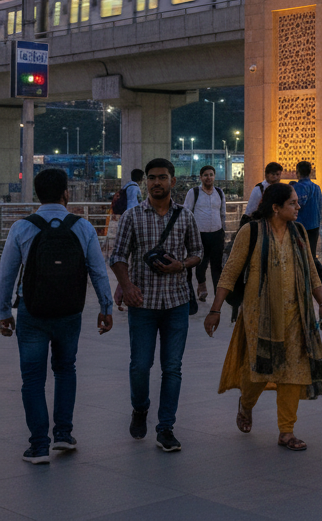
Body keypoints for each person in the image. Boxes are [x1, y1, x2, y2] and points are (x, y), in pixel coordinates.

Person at [204, 182, 322, 450]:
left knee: (293, 373)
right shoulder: (250, 232)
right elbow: (230, 273)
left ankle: (287, 431)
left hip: (297, 314)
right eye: (293, 203)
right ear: (276, 208)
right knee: (258, 371)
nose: (299, 207)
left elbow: (311, 268)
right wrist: (215, 309)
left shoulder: (298, 231)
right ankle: (246, 404)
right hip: (259, 315)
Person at [0, 168, 114, 465]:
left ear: (38, 194)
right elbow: (98, 271)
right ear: (66, 193)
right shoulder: (83, 227)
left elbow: (6, 275)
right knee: (65, 369)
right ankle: (63, 434)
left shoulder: (22, 228)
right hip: (69, 312)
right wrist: (106, 307)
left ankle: (38, 447)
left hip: (32, 311)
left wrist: (3, 312)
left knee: (33, 378)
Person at [110, 158, 203, 451]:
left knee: (172, 368)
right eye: (151, 178)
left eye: (162, 177)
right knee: (140, 366)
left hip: (176, 302)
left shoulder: (186, 216)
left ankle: (166, 428)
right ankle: (140, 408)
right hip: (143, 302)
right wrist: (126, 287)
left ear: (173, 181)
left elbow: (198, 252)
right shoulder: (132, 216)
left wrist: (181, 265)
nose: (156, 182)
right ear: (145, 183)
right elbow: (118, 256)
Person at [184, 165, 227, 302]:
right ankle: (201, 286)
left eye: (211, 175)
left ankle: (217, 294)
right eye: (205, 175)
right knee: (201, 264)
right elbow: (187, 212)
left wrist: (223, 232)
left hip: (217, 234)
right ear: (201, 177)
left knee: (217, 266)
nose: (209, 177)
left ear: (214, 176)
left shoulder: (219, 193)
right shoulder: (194, 192)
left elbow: (223, 214)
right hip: (199, 235)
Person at [292, 161, 322, 293]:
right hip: (314, 225)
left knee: (303, 255)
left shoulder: (299, 187)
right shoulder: (316, 187)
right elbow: (320, 207)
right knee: (310, 255)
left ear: (297, 171)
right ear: (310, 172)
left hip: (301, 226)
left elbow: (298, 205)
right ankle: (319, 281)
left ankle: (320, 278)